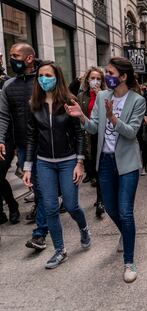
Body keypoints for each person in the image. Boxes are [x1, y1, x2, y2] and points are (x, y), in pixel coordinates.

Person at [65, 57, 146, 283]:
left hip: (127, 163)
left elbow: (131, 133)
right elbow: (93, 127)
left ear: (123, 76)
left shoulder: (137, 100)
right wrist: (81, 116)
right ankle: (126, 233)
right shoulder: (102, 96)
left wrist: (113, 118)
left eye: (110, 73)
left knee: (125, 211)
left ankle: (129, 261)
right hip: (106, 162)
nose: (106, 77)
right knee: (110, 208)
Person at [22, 61, 90, 269]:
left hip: (68, 161)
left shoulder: (68, 101)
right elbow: (31, 138)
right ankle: (60, 250)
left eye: (48, 75)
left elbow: (79, 134)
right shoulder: (33, 103)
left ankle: (84, 228)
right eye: (40, 75)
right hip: (44, 164)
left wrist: (79, 163)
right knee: (50, 207)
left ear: (57, 77)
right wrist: (27, 167)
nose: (44, 79)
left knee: (71, 205)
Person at [0, 43, 44, 235]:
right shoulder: (9, 86)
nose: (12, 60)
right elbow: (3, 116)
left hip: (46, 142)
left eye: (16, 56)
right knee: (35, 182)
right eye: (10, 56)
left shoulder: (44, 80)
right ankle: (41, 224)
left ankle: (45, 208)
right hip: (23, 143)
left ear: (29, 59)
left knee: (45, 183)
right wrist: (0, 139)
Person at [77, 66, 106, 217]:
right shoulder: (81, 96)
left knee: (100, 169)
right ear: (87, 80)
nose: (95, 81)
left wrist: (100, 95)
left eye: (98, 78)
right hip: (87, 137)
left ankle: (100, 200)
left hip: (101, 137)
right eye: (92, 78)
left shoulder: (106, 95)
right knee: (92, 170)